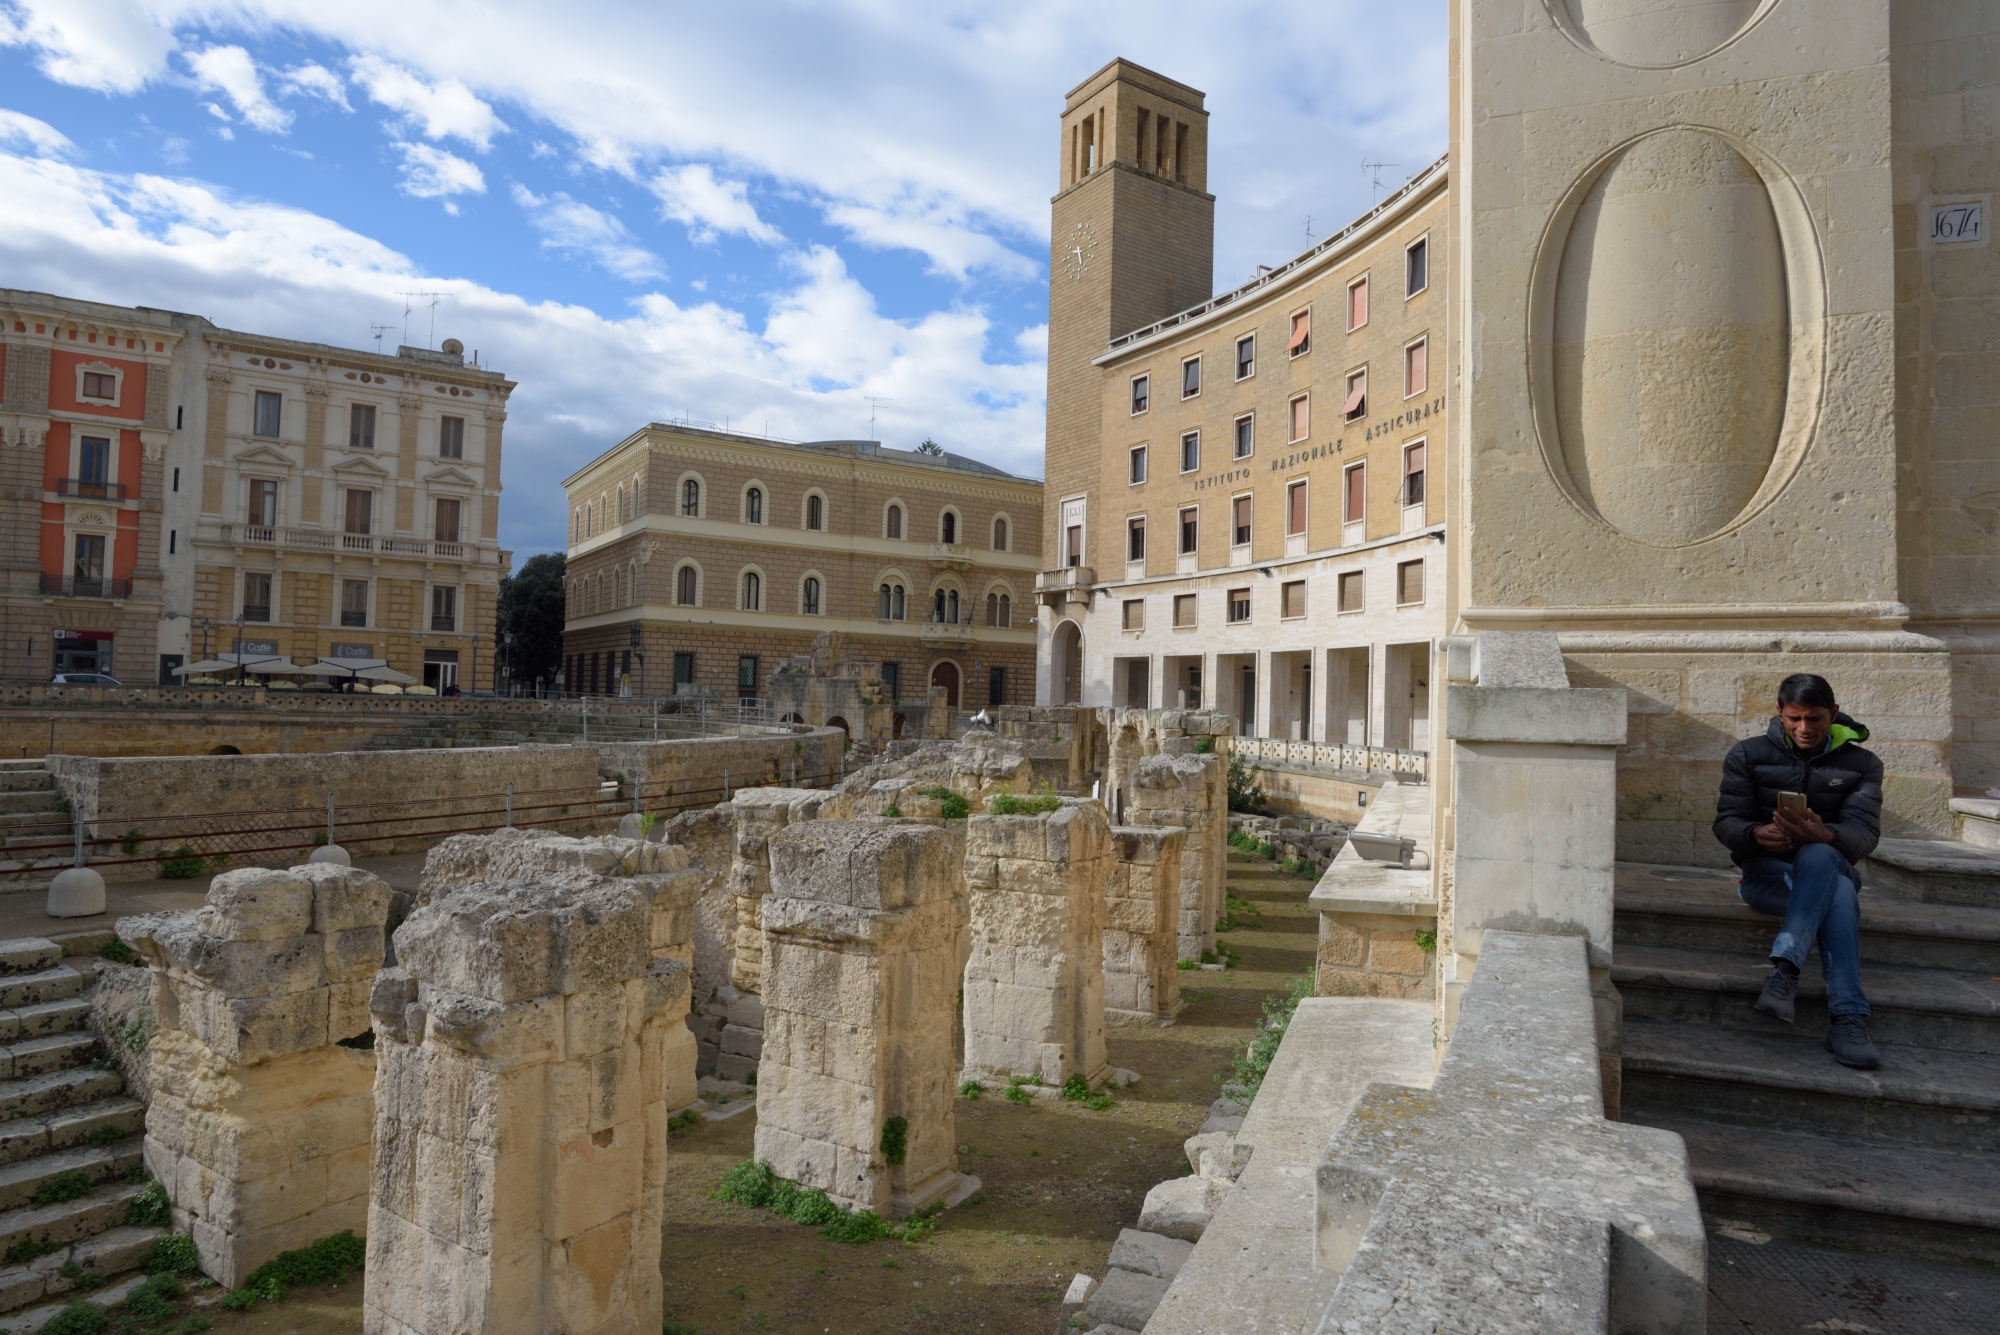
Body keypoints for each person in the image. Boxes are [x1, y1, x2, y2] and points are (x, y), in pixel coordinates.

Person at [1713, 673, 1883, 1069]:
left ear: (1834, 714)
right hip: (1767, 875)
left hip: (1833, 862)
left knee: (1821, 857)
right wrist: (1756, 835)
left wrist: (1825, 835)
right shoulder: (1747, 755)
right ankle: (1847, 1019)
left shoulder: (1863, 764)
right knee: (1838, 894)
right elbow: (1726, 823)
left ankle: (1785, 970)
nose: (1804, 728)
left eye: (1816, 719)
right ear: (1780, 714)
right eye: (1794, 718)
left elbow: (1864, 835)